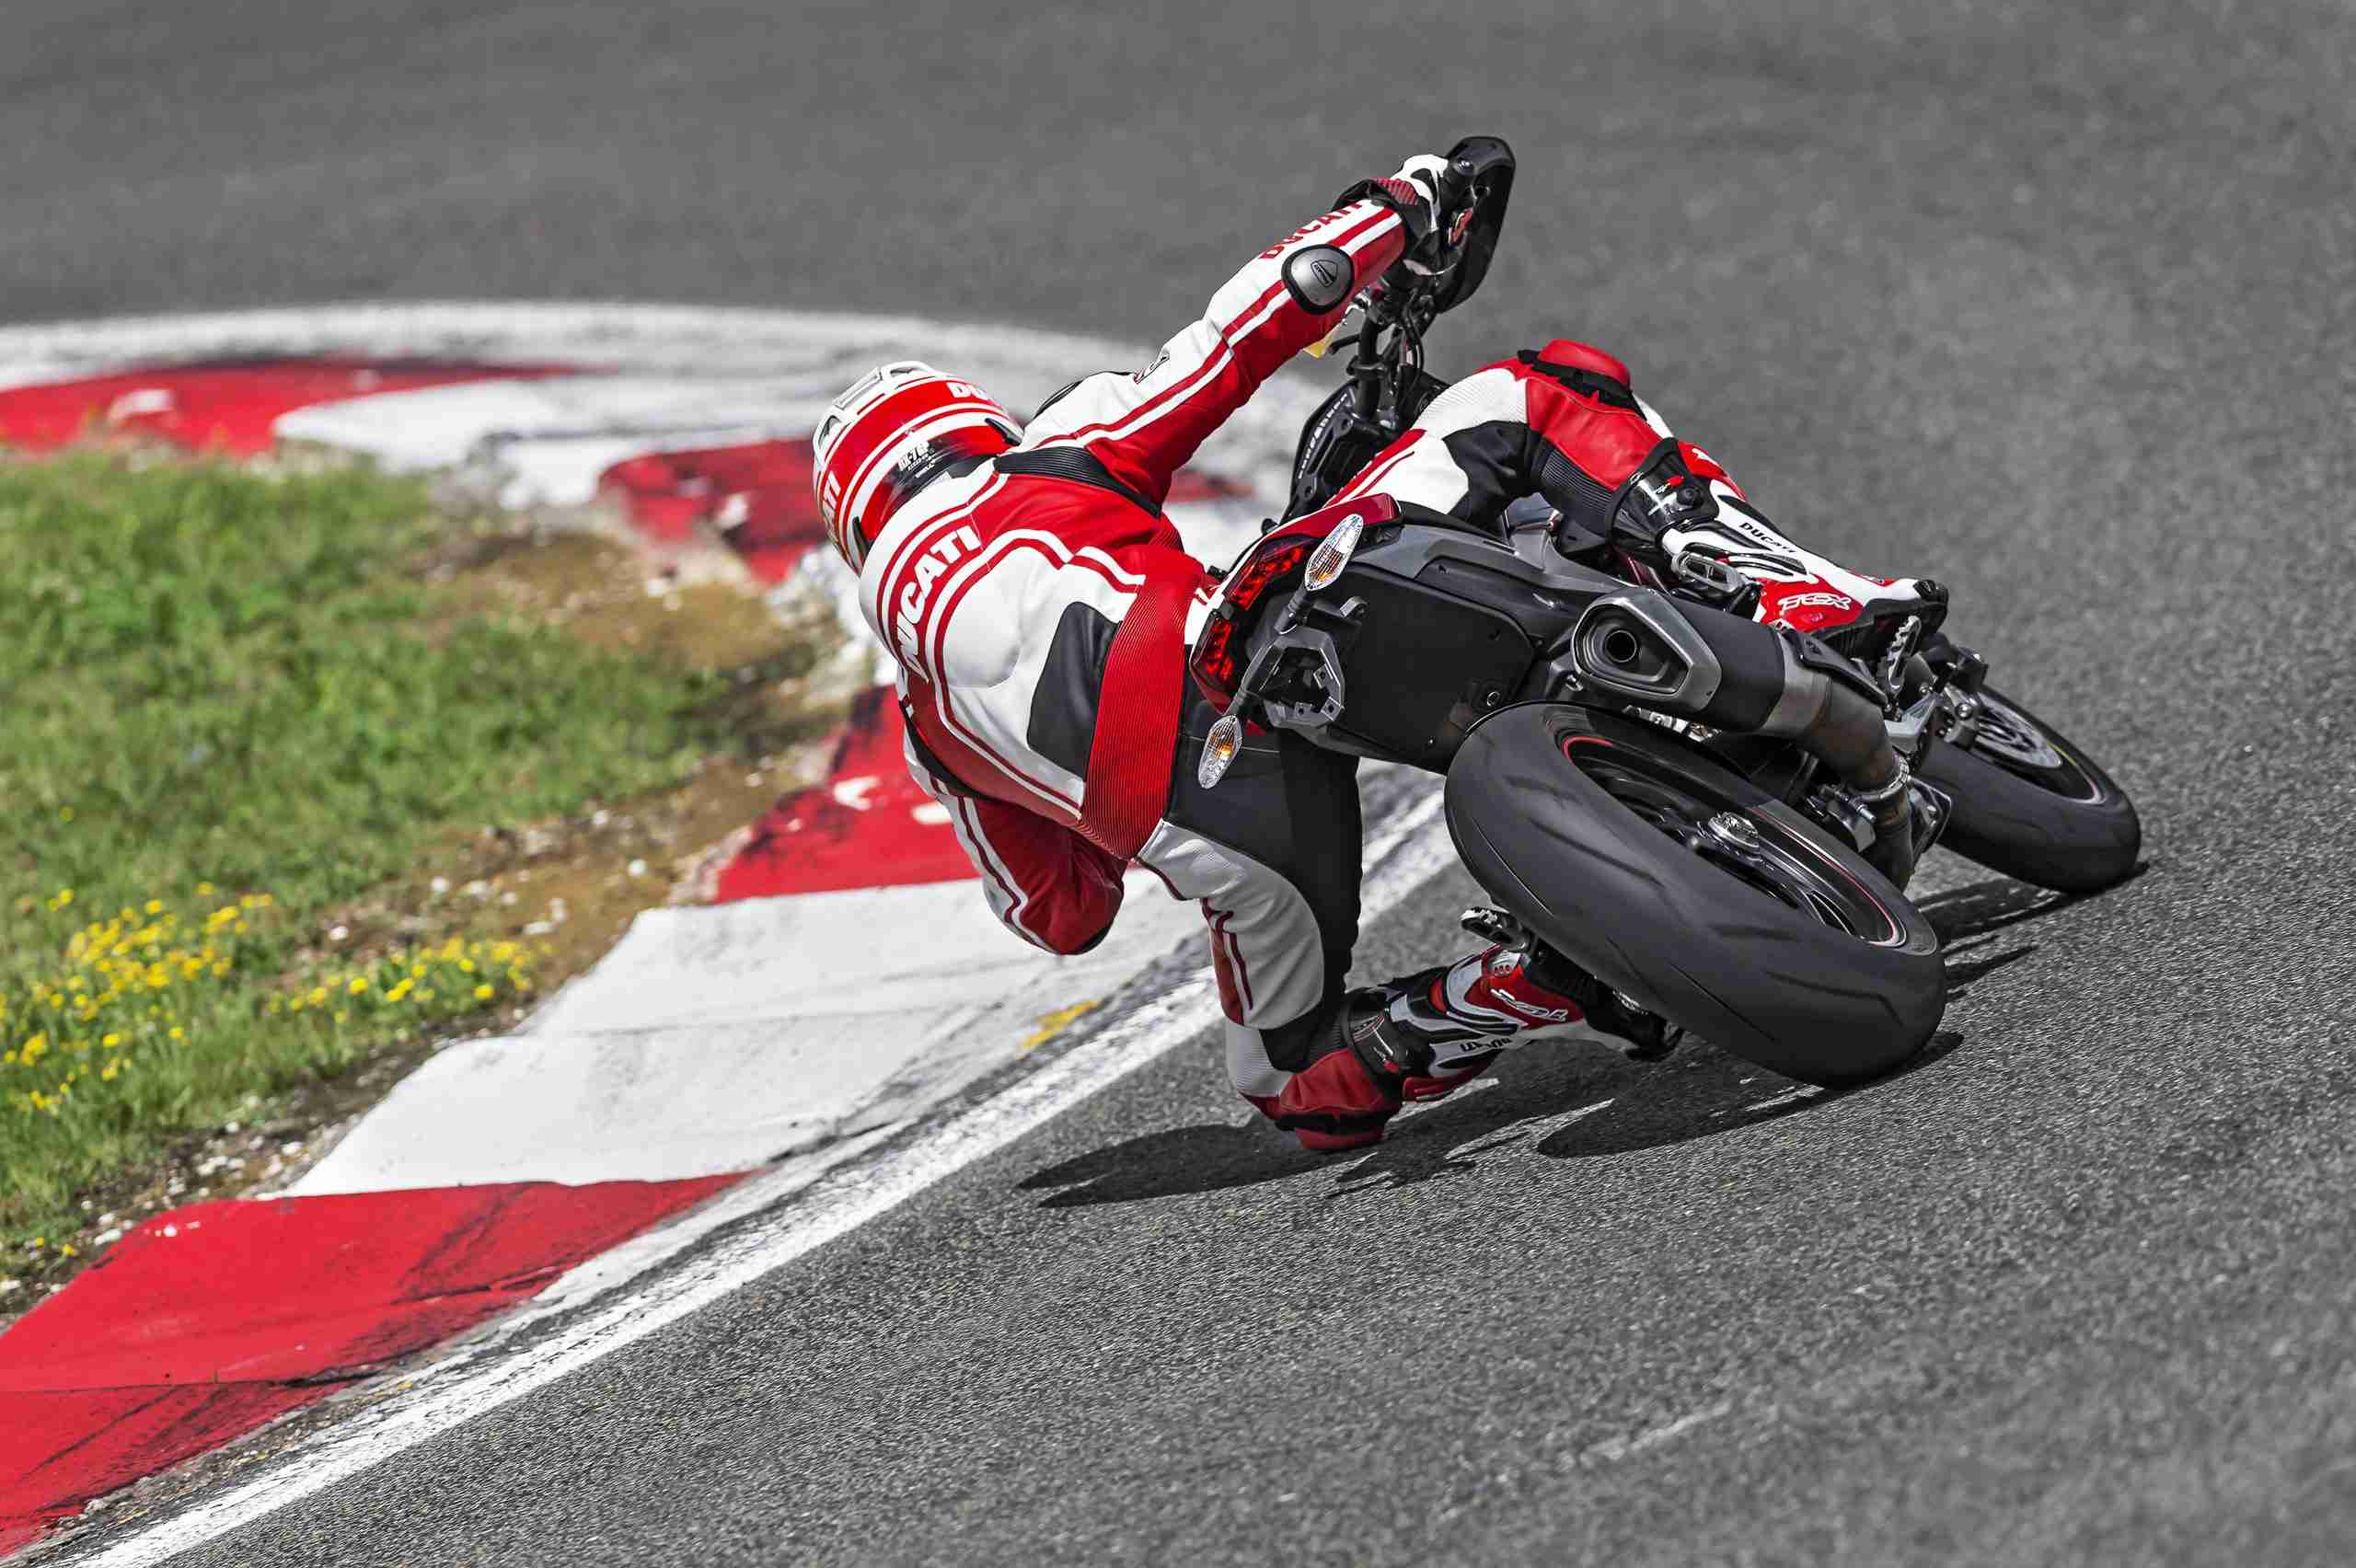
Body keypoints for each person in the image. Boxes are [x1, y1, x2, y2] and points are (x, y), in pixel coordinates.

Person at [810, 151, 1892, 1153]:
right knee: (1532, 391)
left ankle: (1521, 985)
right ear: (969, 428)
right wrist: (1401, 206)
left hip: (1238, 841)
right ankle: (1783, 591)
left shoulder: (926, 727)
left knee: (1294, 1082)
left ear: (856, 529)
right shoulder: (1041, 463)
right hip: (1265, 657)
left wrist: (1095, 797)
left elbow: (1065, 919)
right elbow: (1237, 338)